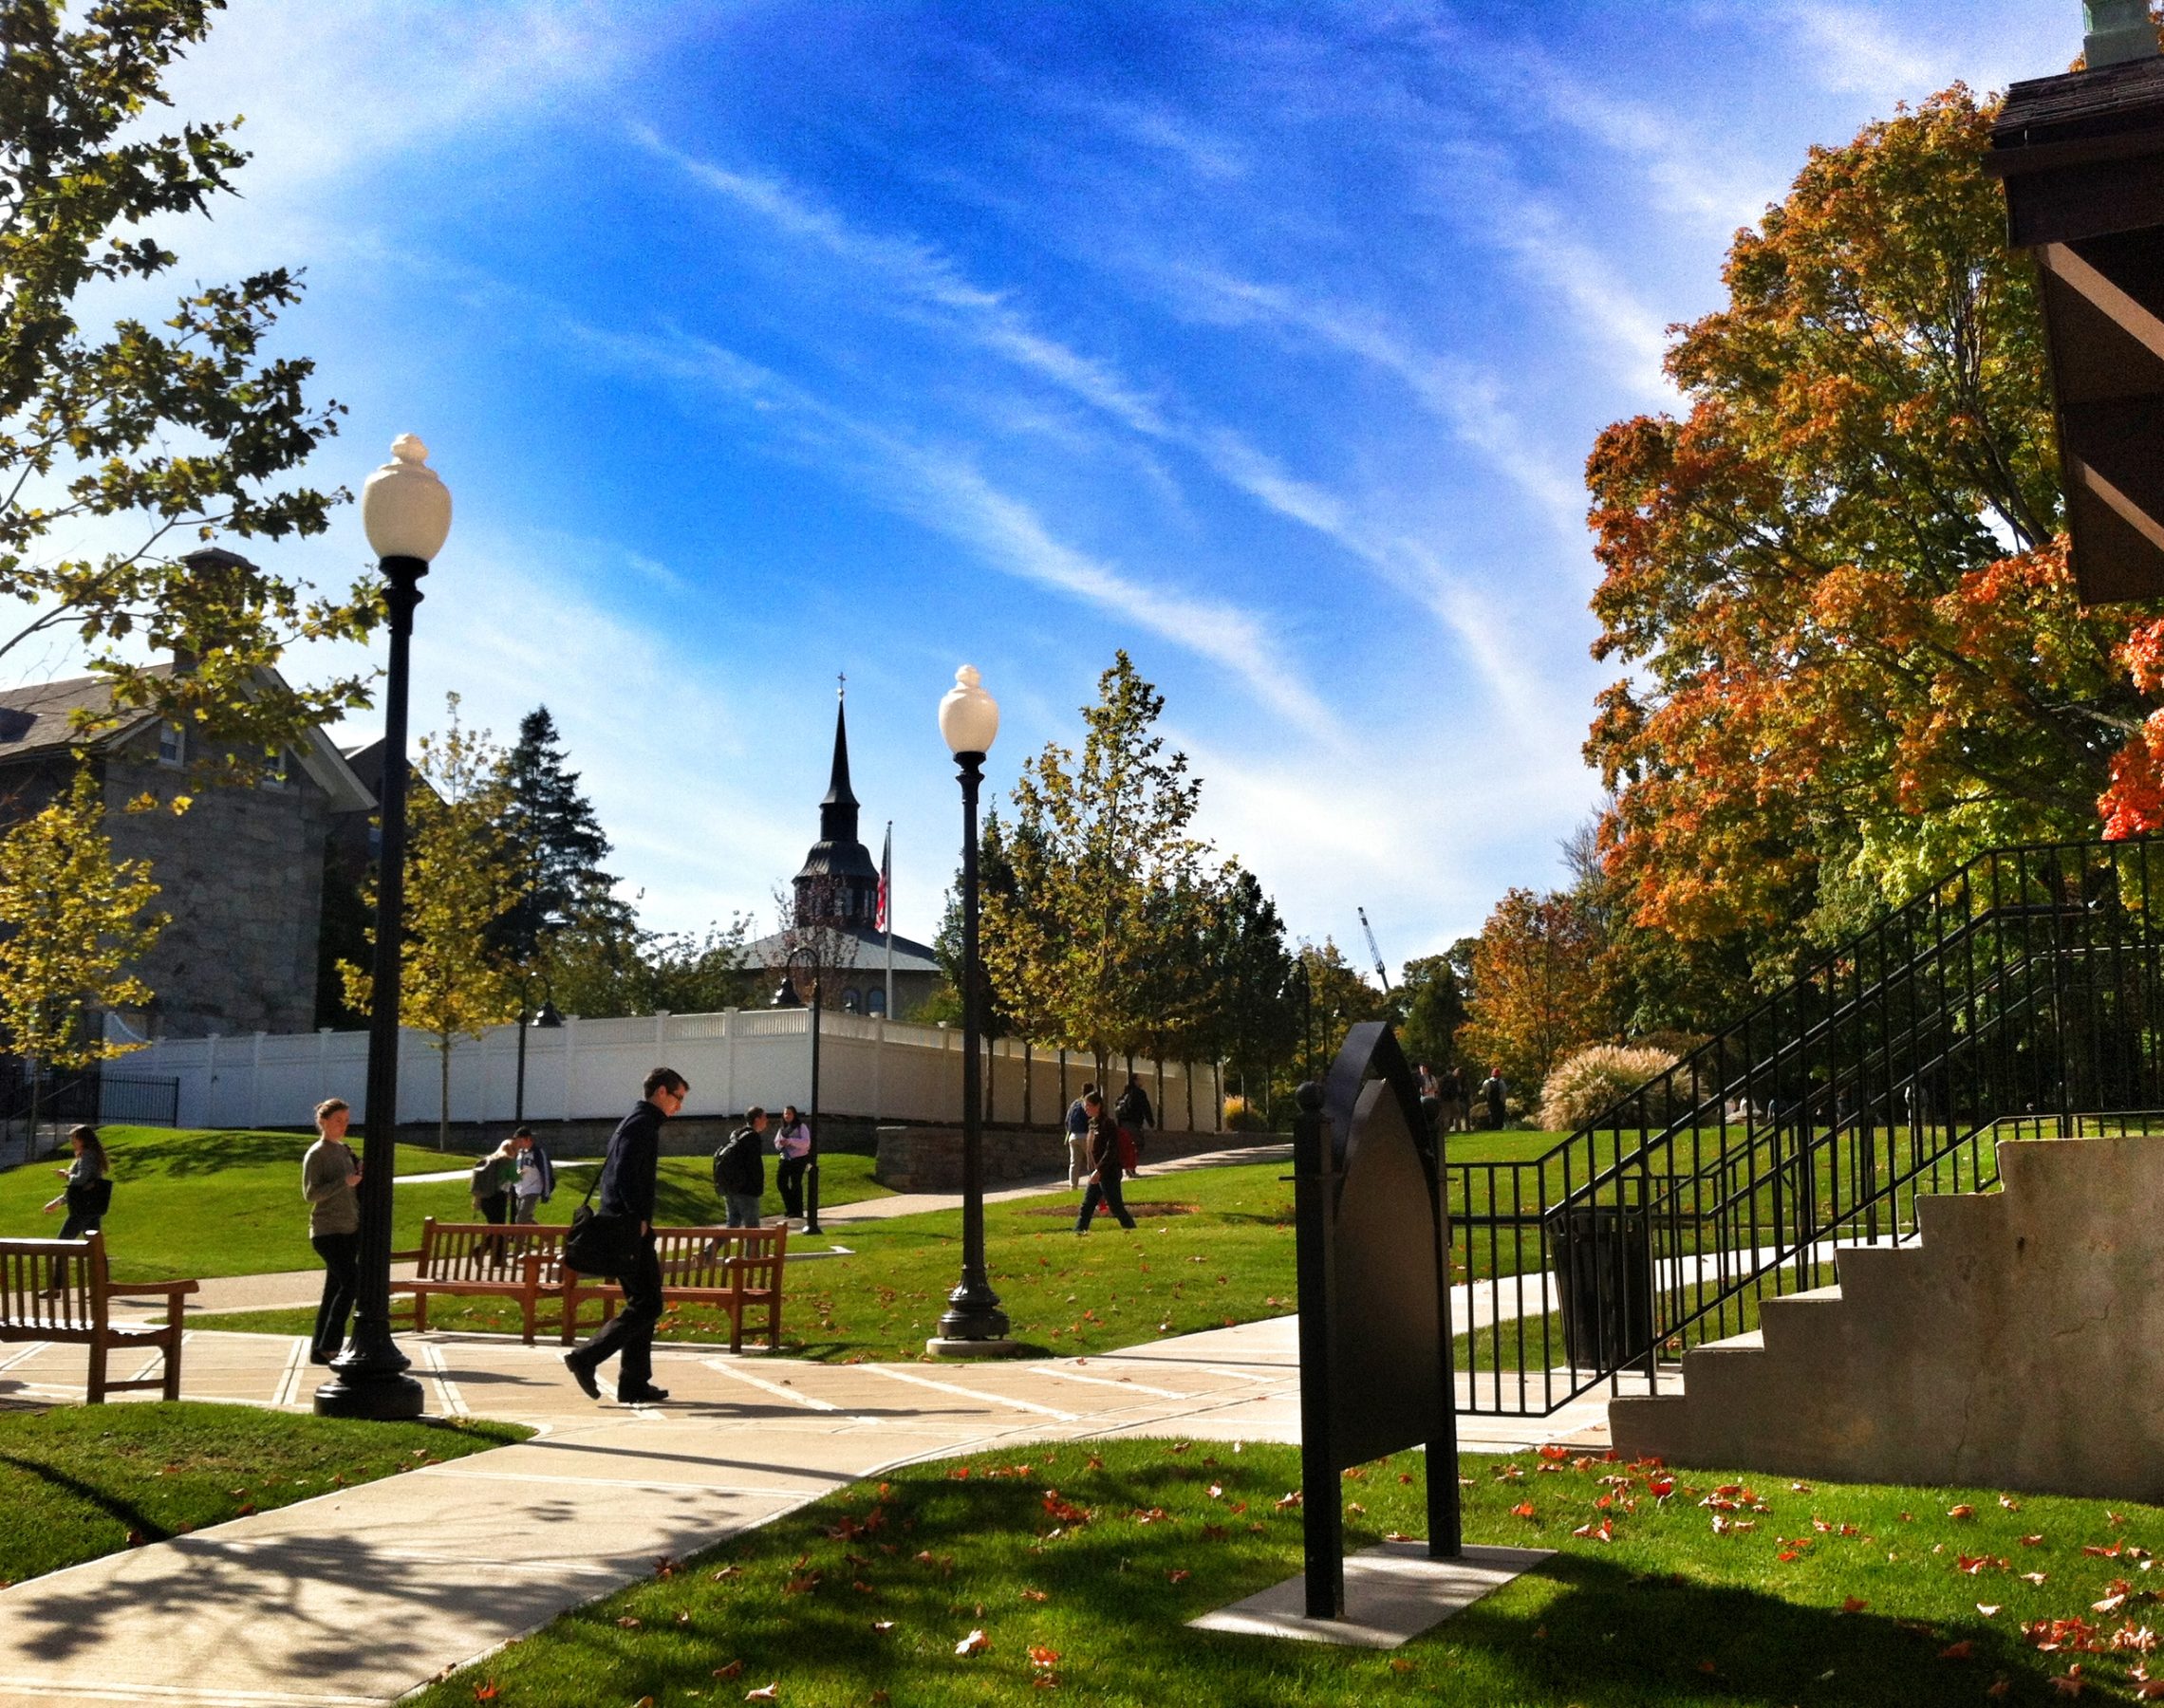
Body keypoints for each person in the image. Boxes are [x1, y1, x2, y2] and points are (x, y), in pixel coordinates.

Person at [563, 1066, 686, 1405]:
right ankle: (586, 1357)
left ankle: (633, 1383)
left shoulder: (637, 1121)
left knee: (642, 1302)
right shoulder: (642, 1123)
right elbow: (626, 1173)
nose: (679, 1106)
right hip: (628, 1227)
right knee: (649, 1303)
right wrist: (639, 1218)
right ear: (661, 1092)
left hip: (625, 1224)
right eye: (677, 1098)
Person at [301, 1099, 363, 1365]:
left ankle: (319, 1350)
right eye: (338, 1121)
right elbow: (310, 1193)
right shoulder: (317, 1154)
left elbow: (353, 1189)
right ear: (323, 1122)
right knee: (352, 1283)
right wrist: (344, 1182)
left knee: (334, 1289)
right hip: (327, 1232)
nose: (343, 1125)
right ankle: (330, 1345)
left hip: (350, 1229)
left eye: (346, 1121)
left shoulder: (344, 1150)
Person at [40, 1124, 111, 1294]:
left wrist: (66, 1175)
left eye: (74, 1138)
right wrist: (59, 1201)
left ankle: (56, 1286)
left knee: (61, 1244)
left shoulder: (87, 1155)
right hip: (91, 1207)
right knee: (95, 1246)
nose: (72, 1141)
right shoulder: (90, 1155)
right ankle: (103, 1286)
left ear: (82, 1140)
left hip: (81, 1209)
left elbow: (79, 1180)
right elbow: (79, 1188)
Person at [1073, 1090, 1136, 1234]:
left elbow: (1111, 1150)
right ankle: (1079, 1231)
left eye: (1089, 1106)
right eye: (1085, 1106)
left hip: (1109, 1173)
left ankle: (1131, 1228)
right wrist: (1092, 1170)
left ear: (1098, 1106)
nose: (1086, 1109)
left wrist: (1099, 1170)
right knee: (1087, 1205)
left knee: (1115, 1206)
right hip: (1096, 1173)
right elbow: (1091, 1150)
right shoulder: (1092, 1124)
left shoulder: (1107, 1124)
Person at [712, 1105, 768, 1229]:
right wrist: (758, 1187)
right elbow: (754, 1165)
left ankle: (717, 1243)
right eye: (764, 1117)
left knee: (732, 1223)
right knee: (752, 1227)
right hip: (747, 1189)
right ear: (757, 1119)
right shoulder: (753, 1137)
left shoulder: (737, 1134)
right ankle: (751, 1244)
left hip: (730, 1186)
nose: (766, 1121)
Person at [773, 1105, 812, 1225]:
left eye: (789, 1113)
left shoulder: (801, 1127)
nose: (787, 1116)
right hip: (785, 1158)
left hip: (799, 1158)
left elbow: (806, 1143)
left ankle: (797, 1210)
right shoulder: (782, 1129)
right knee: (781, 1182)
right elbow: (776, 1143)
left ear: (794, 1115)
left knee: (796, 1183)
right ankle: (790, 1207)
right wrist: (781, 1144)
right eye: (785, 1113)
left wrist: (790, 1141)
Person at [509, 1125, 554, 1225]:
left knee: (520, 1220)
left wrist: (546, 1192)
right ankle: (545, 1234)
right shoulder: (519, 1153)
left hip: (533, 1190)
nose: (518, 1144)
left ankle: (522, 1239)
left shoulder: (538, 1153)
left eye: (520, 1141)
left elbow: (546, 1171)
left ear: (528, 1139)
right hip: (520, 1190)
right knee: (526, 1220)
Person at [470, 1139, 516, 1224]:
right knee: (498, 1226)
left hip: (485, 1197)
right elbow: (514, 1178)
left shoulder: (488, 1160)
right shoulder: (507, 1160)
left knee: (492, 1224)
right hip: (498, 1197)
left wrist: (477, 1198)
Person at [1115, 1074, 1154, 1172]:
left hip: (1123, 1124)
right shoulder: (1139, 1093)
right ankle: (1130, 1167)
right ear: (1135, 1081)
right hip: (1134, 1123)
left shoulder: (1124, 1094)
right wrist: (1151, 1122)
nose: (1142, 1081)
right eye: (1140, 1079)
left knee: (1127, 1145)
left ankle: (1128, 1166)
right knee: (1137, 1145)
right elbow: (1146, 1108)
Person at [1064, 1084, 1095, 1191]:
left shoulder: (1075, 1103)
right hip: (1084, 1135)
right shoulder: (1088, 1103)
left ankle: (1073, 1186)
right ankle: (1094, 1184)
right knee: (1092, 1161)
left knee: (1074, 1163)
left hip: (1073, 1136)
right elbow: (1091, 1119)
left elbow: (1067, 1120)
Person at [1482, 1067, 1508, 1131]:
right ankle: (1498, 1127)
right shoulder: (1501, 1082)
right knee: (1499, 1115)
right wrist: (1503, 1102)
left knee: (1491, 1114)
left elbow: (1484, 1091)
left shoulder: (1486, 1082)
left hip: (1490, 1102)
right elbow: (1504, 1093)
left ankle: (1492, 1127)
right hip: (1499, 1102)